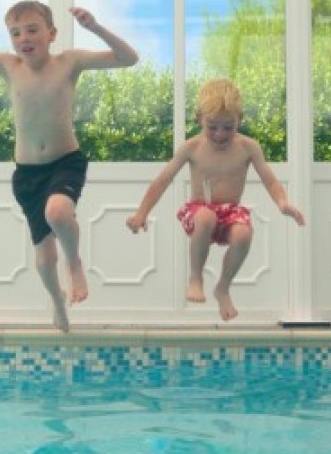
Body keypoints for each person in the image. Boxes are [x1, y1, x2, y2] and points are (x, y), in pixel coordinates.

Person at [0, 0, 139, 332]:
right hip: (27, 173)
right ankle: (56, 301)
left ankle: (76, 264)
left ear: (52, 33)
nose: (24, 38)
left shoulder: (69, 62)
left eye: (33, 29)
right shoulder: (9, 66)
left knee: (59, 212)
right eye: (16, 33)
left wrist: (95, 27)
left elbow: (128, 58)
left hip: (66, 162)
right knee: (44, 256)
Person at [126, 78, 306, 322]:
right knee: (206, 216)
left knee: (243, 234)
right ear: (200, 118)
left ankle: (223, 287)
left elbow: (271, 181)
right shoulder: (192, 148)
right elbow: (162, 181)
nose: (220, 135)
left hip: (230, 212)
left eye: (228, 127)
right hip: (199, 211)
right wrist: (141, 213)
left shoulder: (248, 147)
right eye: (212, 126)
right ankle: (196, 277)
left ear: (239, 121)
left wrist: (283, 203)